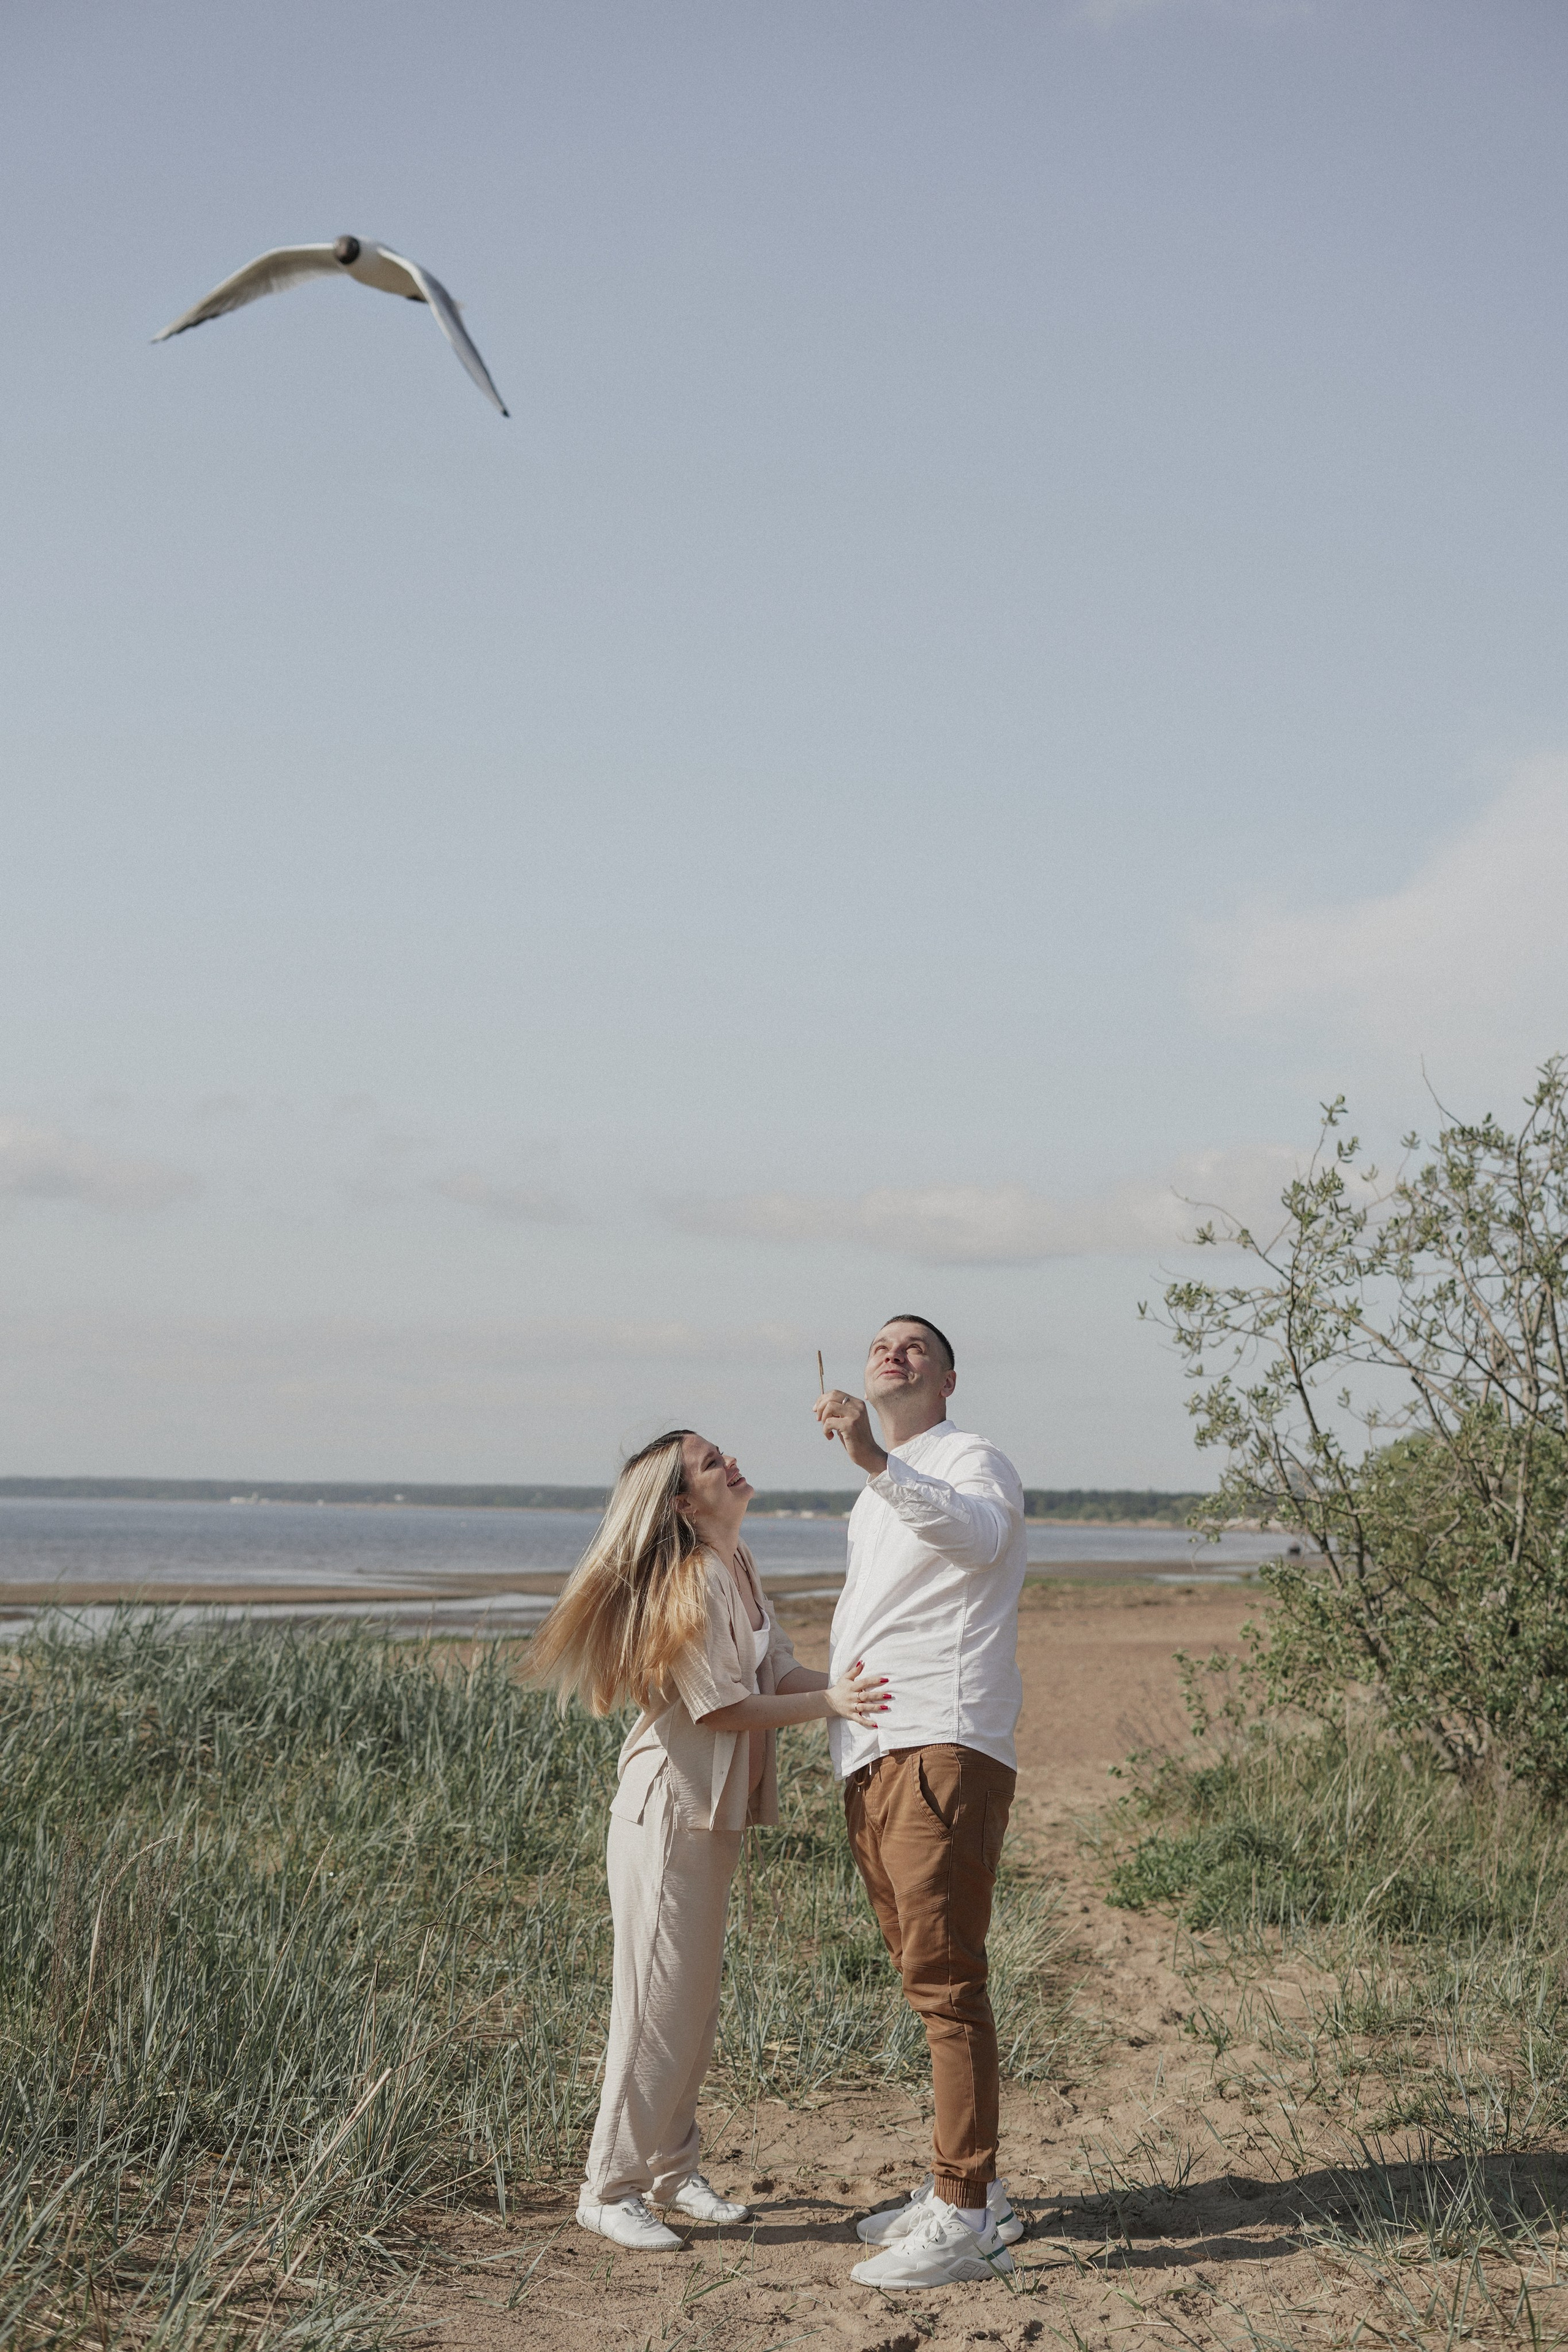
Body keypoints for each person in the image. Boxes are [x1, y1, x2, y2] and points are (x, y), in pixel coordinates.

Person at [528, 1427, 886, 2252]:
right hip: (666, 1814)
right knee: (654, 2005)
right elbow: (717, 1707)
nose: (731, 1462)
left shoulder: (740, 1564)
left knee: (691, 2004)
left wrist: (847, 1688)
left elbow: (779, 1676)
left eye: (722, 1452)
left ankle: (669, 2171)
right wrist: (833, 1708)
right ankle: (608, 2188)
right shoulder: (689, 1582)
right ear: (684, 1504)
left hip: (710, 1815)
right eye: (709, 1463)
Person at [813, 1317, 1027, 2290]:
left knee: (948, 1986)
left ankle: (968, 2210)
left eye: (916, 1346)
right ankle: (969, 2188)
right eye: (881, 1344)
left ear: (948, 1376)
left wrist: (871, 1458)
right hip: (875, 1755)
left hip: (942, 1744)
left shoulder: (972, 1459)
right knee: (923, 1977)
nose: (893, 1353)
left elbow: (979, 1540)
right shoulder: (878, 1496)